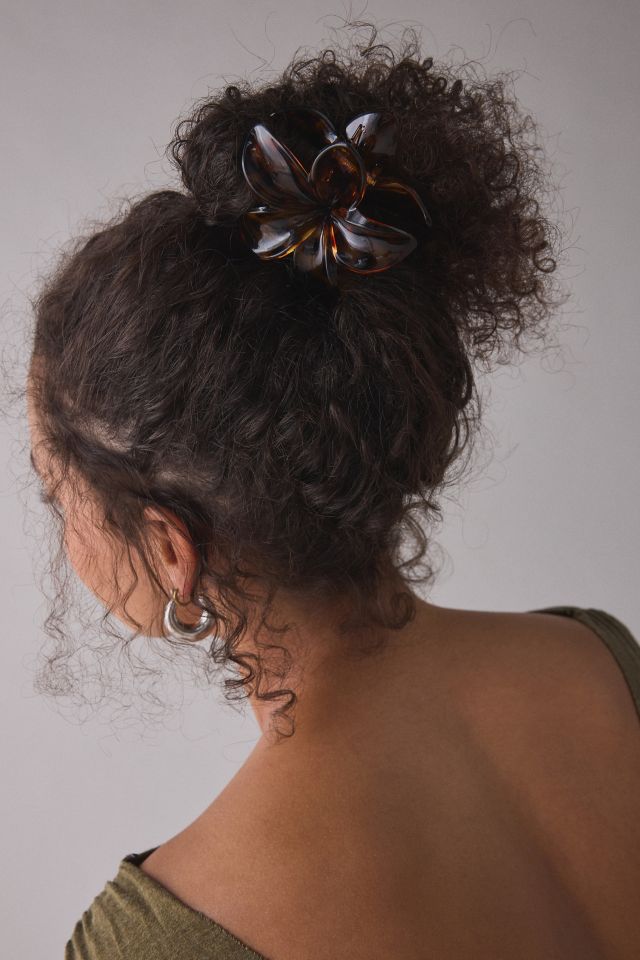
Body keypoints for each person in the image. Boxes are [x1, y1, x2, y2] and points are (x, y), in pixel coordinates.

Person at [24, 23, 640, 960]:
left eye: (53, 494)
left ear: (171, 548)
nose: (62, 534)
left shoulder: (156, 939)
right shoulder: (600, 660)